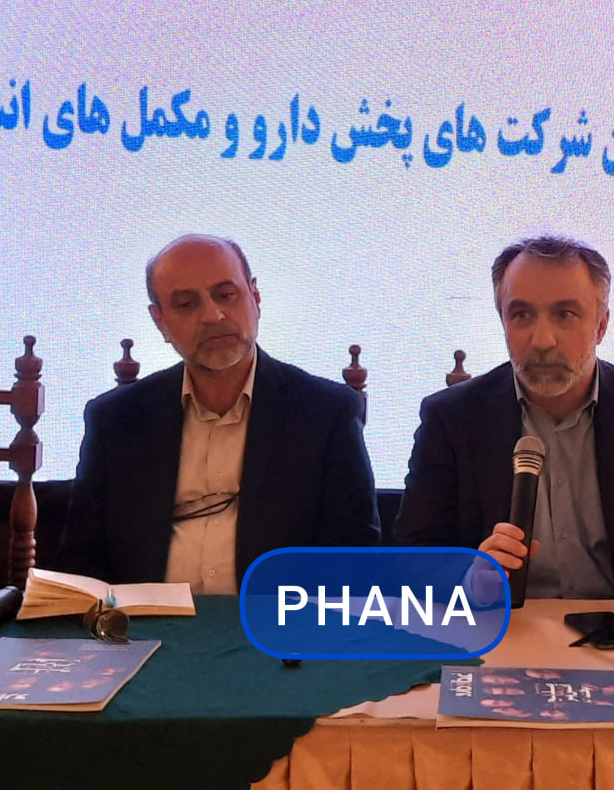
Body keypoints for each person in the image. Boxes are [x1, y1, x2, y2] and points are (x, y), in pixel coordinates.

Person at [394, 235, 614, 615]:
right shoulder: (452, 418)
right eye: (522, 315)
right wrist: (468, 582)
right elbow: (410, 561)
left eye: (564, 314)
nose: (543, 340)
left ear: (601, 325)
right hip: (503, 628)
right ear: (502, 322)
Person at [57, 234, 380, 591]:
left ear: (255, 297)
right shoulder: (116, 419)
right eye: (186, 304)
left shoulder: (325, 413)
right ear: (160, 321)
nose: (212, 316)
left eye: (226, 295)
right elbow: (81, 565)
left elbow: (352, 558)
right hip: (142, 623)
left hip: (274, 621)